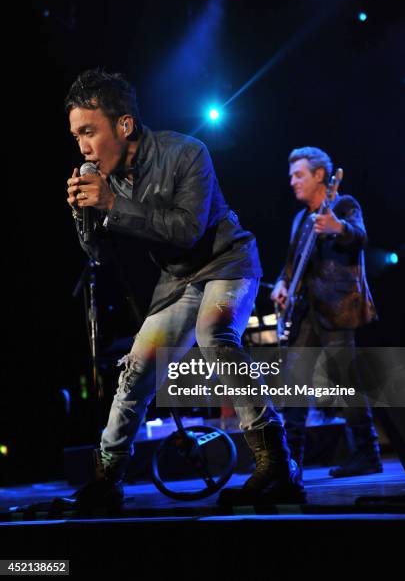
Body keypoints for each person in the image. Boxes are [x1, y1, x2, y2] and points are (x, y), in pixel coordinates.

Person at [65, 69, 304, 509]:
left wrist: (112, 204)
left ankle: (276, 463)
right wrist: (85, 217)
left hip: (228, 261)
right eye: (76, 135)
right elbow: (97, 253)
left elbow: (186, 230)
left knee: (215, 334)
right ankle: (107, 476)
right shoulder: (109, 178)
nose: (82, 146)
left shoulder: (187, 152)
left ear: (124, 125)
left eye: (88, 131)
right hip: (179, 279)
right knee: (137, 365)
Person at [271, 147, 382, 479]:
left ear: (321, 176)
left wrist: (338, 228)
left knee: (346, 381)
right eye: (292, 175)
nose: (292, 181)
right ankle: (290, 461)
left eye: (299, 175)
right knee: (294, 384)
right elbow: (291, 264)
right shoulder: (300, 220)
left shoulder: (344, 206)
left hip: (336, 309)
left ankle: (367, 453)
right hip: (305, 310)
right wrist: (281, 284)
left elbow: (359, 238)